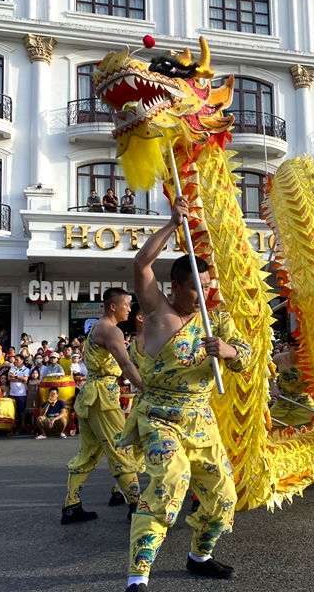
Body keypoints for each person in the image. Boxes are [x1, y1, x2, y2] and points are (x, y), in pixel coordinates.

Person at [123, 197, 252, 592]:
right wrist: (172, 224)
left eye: (208, 288)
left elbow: (245, 357)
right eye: (196, 288)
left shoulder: (218, 321)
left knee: (224, 495)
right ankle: (138, 576)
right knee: (169, 483)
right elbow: (141, 265)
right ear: (175, 286)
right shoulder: (158, 313)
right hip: (160, 417)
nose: (203, 295)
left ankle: (200, 556)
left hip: (202, 419)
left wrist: (227, 351)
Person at [62, 287, 144, 525]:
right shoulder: (111, 330)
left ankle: (71, 506)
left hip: (92, 396)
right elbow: (127, 366)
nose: (129, 308)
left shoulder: (98, 327)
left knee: (88, 454)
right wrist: (147, 390)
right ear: (113, 306)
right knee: (122, 449)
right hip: (103, 399)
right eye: (127, 304)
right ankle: (135, 506)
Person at [269, 337, 314, 428]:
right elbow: (266, 371)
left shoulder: (310, 361)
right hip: (282, 403)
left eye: (302, 350)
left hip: (303, 403)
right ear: (288, 346)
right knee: (266, 426)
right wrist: (274, 388)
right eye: (296, 350)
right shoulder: (278, 359)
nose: (300, 353)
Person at [8, 355, 30, 428]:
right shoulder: (12, 368)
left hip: (22, 393)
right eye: (15, 359)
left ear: (22, 361)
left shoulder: (26, 369)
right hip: (12, 393)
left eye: (17, 360)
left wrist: (16, 377)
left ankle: (23, 425)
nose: (15, 361)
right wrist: (20, 379)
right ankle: (14, 425)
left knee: (22, 411)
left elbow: (25, 379)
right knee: (14, 410)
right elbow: (9, 378)